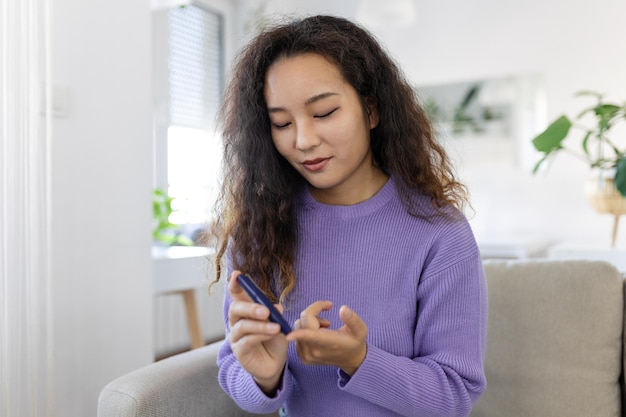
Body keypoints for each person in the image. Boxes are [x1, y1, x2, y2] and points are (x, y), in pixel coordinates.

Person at [211, 14, 487, 417]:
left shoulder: (440, 233)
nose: (304, 140)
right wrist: (263, 376)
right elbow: (236, 372)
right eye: (282, 123)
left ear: (371, 109)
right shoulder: (259, 229)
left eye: (323, 113)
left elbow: (454, 394)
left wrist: (359, 360)